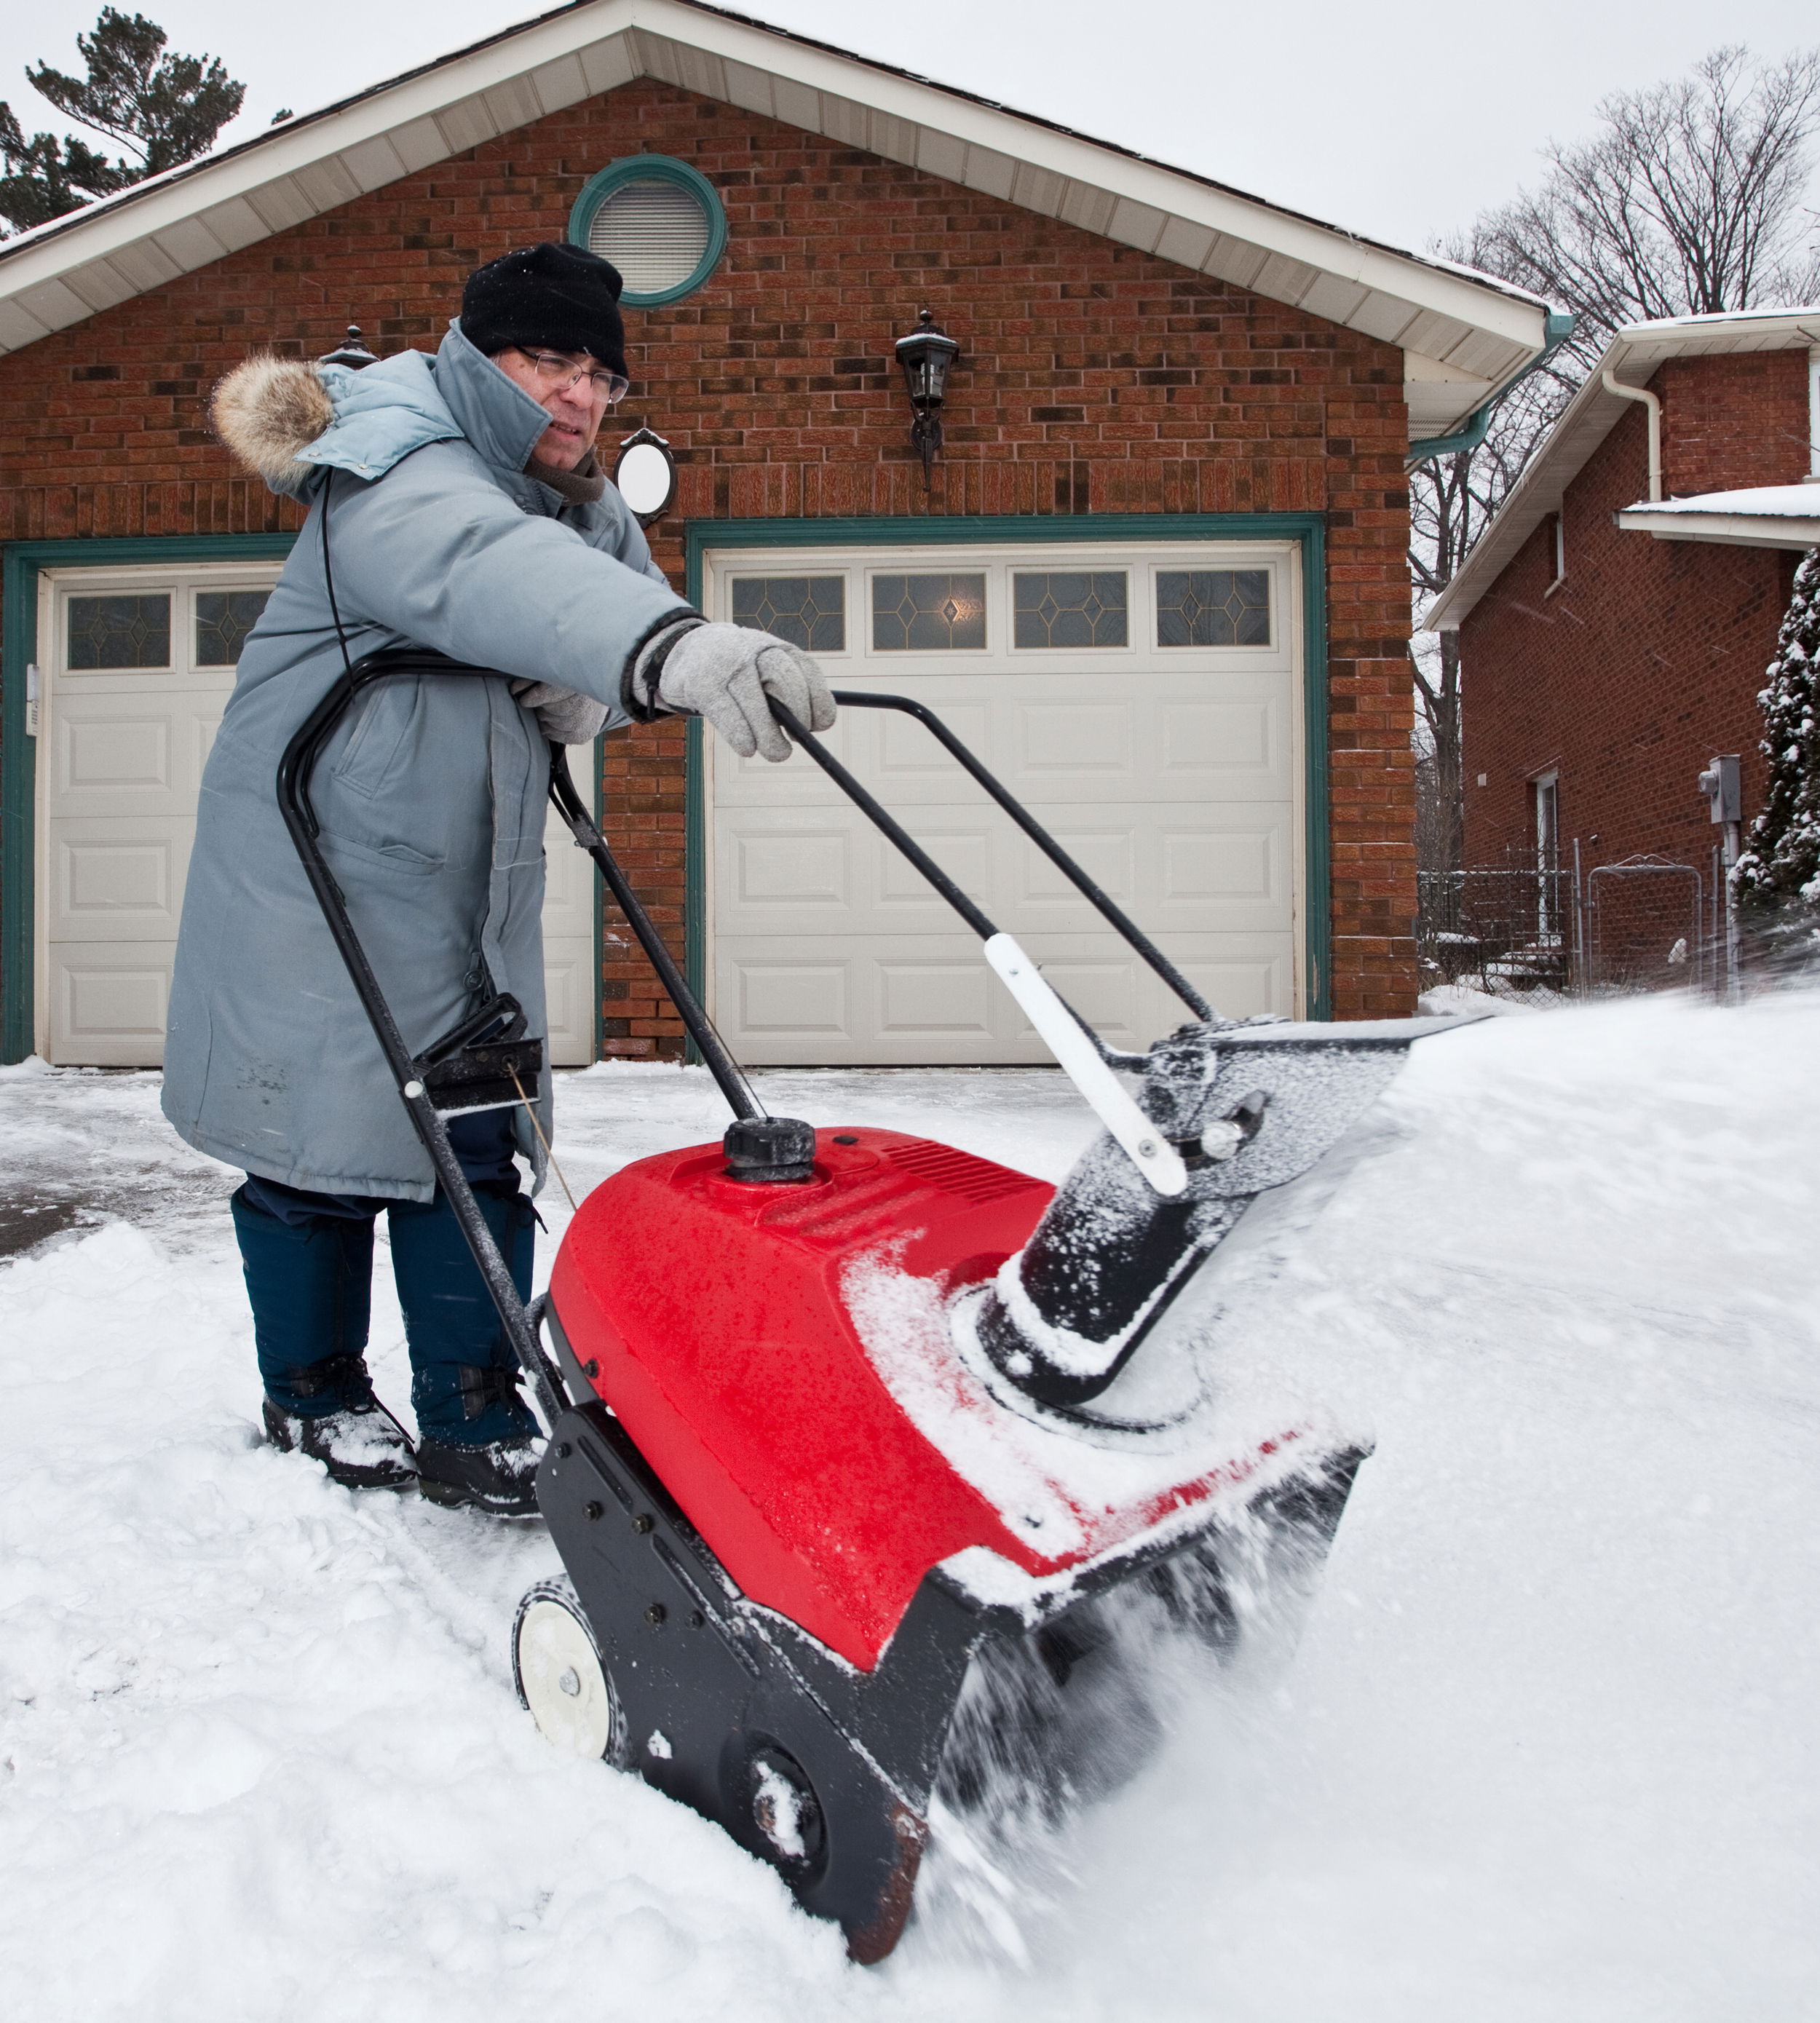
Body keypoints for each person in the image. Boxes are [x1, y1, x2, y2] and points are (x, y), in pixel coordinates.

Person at [164, 242, 835, 1513]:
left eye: (598, 374)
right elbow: (475, 567)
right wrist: (656, 647)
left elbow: (593, 617)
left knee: (479, 1139)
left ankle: (471, 1415)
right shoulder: (391, 453)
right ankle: (311, 1396)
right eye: (548, 364)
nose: (578, 398)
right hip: (312, 874)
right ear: (477, 355)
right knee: (316, 1152)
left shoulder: (577, 499)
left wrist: (595, 687)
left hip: (467, 882)